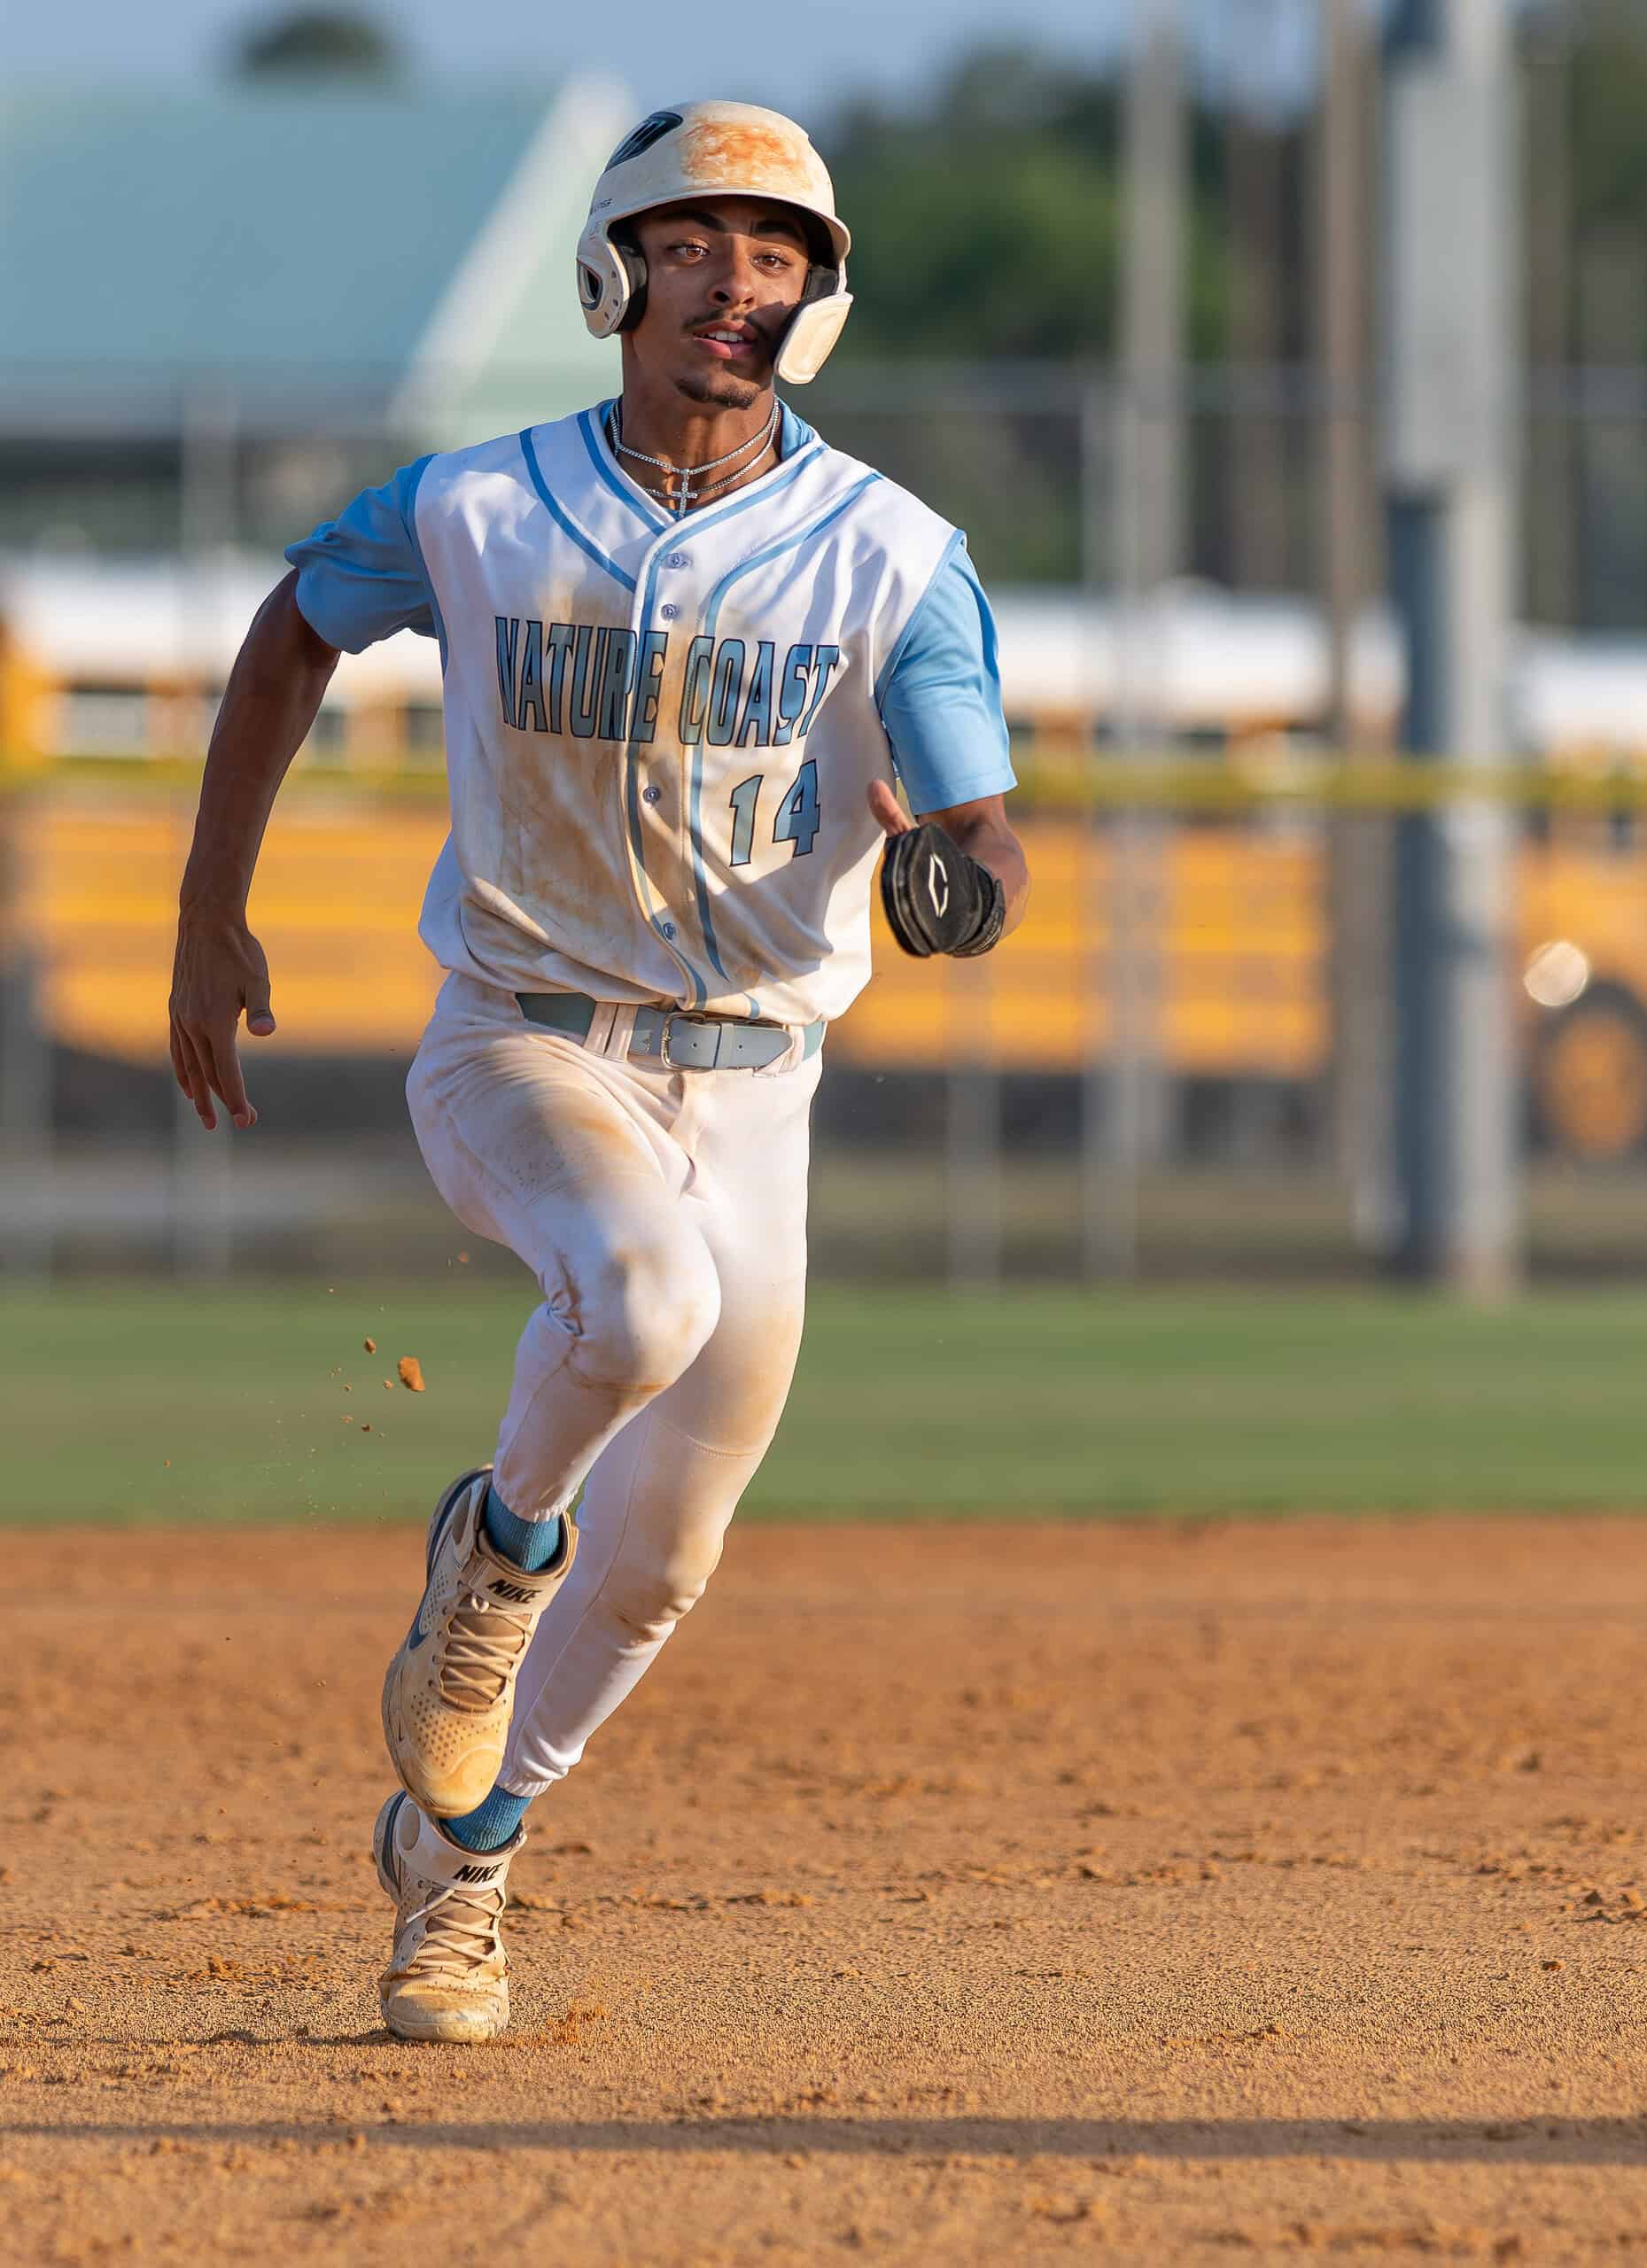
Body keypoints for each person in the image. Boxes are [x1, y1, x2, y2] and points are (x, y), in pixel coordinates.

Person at [167, 100, 1029, 2042]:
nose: (738, 278)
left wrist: (952, 882)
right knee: (639, 1297)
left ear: (819, 299)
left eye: (779, 250)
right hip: (520, 1041)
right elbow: (287, 640)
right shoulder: (474, 504)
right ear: (613, 268)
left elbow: (984, 826)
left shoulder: (891, 554)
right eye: (698, 238)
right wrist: (206, 910)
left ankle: (455, 1852)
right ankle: (484, 1558)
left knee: (665, 1565)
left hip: (755, 1084)